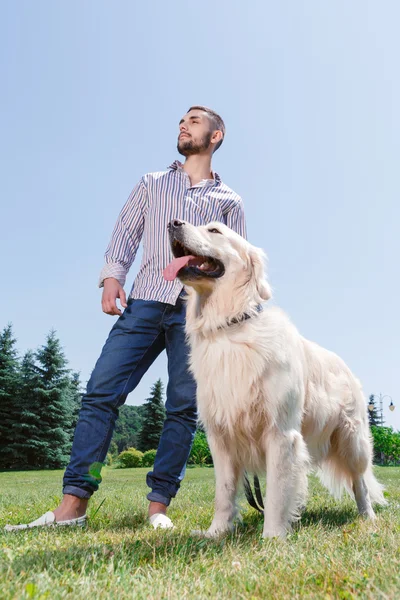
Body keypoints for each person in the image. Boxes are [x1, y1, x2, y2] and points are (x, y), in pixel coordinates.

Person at [5, 105, 247, 532]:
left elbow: (234, 261)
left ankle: (159, 508)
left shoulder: (230, 202)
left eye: (193, 120)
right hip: (145, 303)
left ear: (216, 136)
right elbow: (126, 232)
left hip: (197, 313)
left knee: (183, 408)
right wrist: (112, 278)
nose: (183, 124)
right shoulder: (151, 183)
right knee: (101, 393)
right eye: (181, 120)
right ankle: (73, 504)